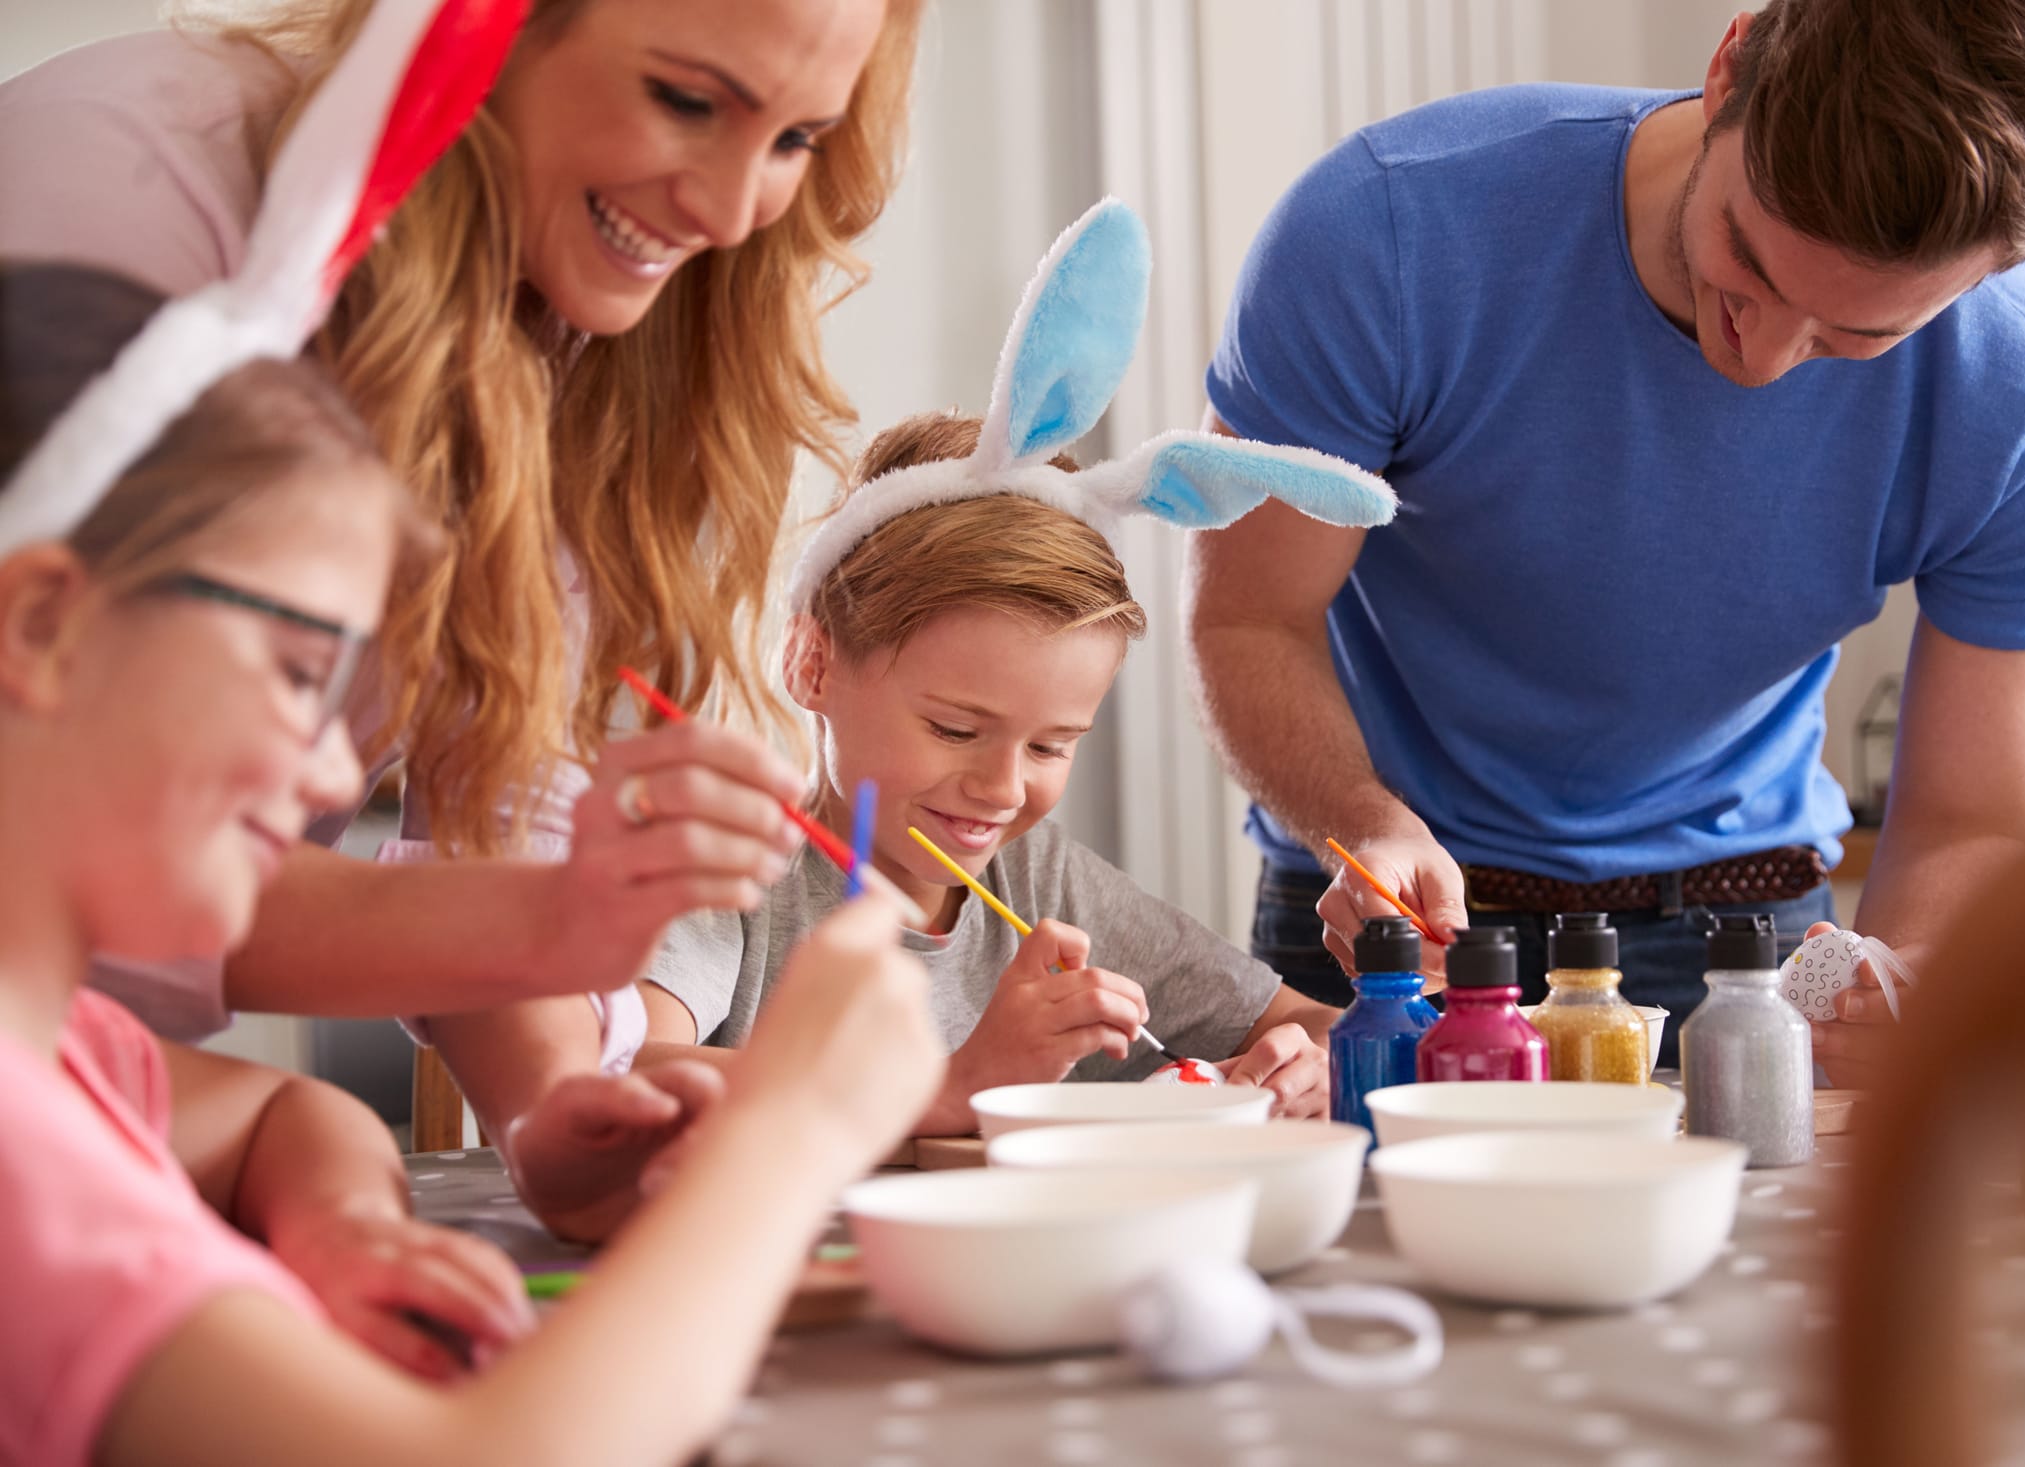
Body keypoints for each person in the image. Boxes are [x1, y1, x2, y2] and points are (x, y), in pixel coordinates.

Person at [0, 257, 945, 1467]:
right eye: (298, 676)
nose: (338, 778)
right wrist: (791, 1133)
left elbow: (284, 1111)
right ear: (43, 625)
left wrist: (341, 1227)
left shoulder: (66, 1049)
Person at [0, 0, 924, 1234]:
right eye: (688, 101)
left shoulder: (608, 340)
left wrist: (559, 1109)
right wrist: (553, 924)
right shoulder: (124, 187)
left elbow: (501, 790)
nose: (726, 208)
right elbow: (91, 842)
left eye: (798, 138)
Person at [1186, 0, 2025, 1073]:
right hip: (1387, 924)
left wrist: (1898, 982)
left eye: (1854, 335)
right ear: (1729, 71)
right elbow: (1250, 616)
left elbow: (1971, 814)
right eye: (1748, 261)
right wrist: (1362, 822)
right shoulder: (1384, 235)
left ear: (1993, 271)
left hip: (1748, 947)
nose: (1763, 357)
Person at [641, 413, 1340, 1125]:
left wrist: (1300, 1068)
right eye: (955, 729)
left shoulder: (1045, 883)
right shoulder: (731, 866)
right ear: (812, 663)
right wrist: (951, 1086)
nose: (1003, 790)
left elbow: (1308, 1024)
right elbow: (624, 1073)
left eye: (1050, 747)